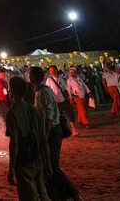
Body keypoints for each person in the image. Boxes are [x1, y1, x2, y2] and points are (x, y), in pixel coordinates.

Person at [29, 66, 81, 201]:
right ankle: (57, 195)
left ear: (33, 78)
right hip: (51, 131)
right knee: (48, 165)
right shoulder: (42, 90)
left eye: (30, 75)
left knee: (52, 166)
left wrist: (45, 136)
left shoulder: (42, 93)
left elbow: (49, 117)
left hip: (52, 132)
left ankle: (74, 193)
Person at [5, 76, 51, 201]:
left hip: (24, 161)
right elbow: (43, 138)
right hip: (38, 157)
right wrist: (48, 162)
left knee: (29, 196)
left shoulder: (12, 113)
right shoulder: (35, 111)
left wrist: (11, 168)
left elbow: (14, 143)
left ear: (11, 91)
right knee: (43, 193)